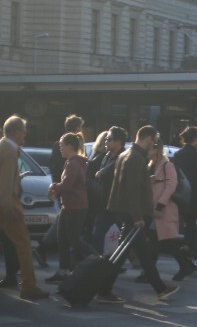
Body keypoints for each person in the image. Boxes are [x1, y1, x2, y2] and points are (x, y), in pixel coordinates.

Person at [99, 125, 178, 303]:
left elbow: (125, 184)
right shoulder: (135, 158)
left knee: (138, 254)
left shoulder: (126, 155)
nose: (155, 145)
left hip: (125, 211)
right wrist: (138, 217)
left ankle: (160, 289)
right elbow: (132, 191)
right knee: (122, 256)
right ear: (148, 138)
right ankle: (104, 290)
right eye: (154, 141)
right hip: (133, 214)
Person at [0, 116, 50, 300]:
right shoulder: (10, 149)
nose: (25, 134)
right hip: (8, 203)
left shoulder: (4, 146)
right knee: (24, 245)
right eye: (23, 130)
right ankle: (28, 286)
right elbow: (4, 181)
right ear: (15, 132)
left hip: (6, 201)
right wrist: (7, 207)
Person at [45, 132, 95, 282]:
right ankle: (63, 271)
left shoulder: (73, 163)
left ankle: (98, 259)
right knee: (63, 239)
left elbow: (67, 185)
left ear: (70, 146)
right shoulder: (74, 162)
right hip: (70, 206)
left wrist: (53, 186)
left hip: (75, 207)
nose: (60, 148)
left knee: (73, 239)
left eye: (61, 145)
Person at [148, 141, 197, 281]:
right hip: (157, 210)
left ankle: (150, 272)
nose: (147, 152)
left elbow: (170, 187)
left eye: (150, 149)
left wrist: (160, 205)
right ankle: (184, 266)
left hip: (165, 209)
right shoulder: (154, 166)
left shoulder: (167, 166)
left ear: (156, 150)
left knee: (161, 241)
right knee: (161, 241)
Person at [173, 125, 197, 259]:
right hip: (194, 194)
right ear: (195, 139)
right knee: (193, 224)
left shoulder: (178, 154)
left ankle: (184, 247)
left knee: (184, 221)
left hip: (181, 193)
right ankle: (189, 248)